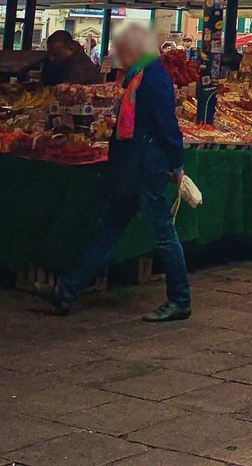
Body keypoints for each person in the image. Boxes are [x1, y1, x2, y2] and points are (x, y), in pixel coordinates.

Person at [34, 23, 191, 321]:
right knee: (108, 232)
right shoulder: (137, 75)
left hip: (147, 167)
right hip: (132, 167)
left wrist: (176, 164)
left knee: (163, 235)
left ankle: (180, 299)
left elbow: (166, 125)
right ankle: (67, 292)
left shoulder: (153, 77)